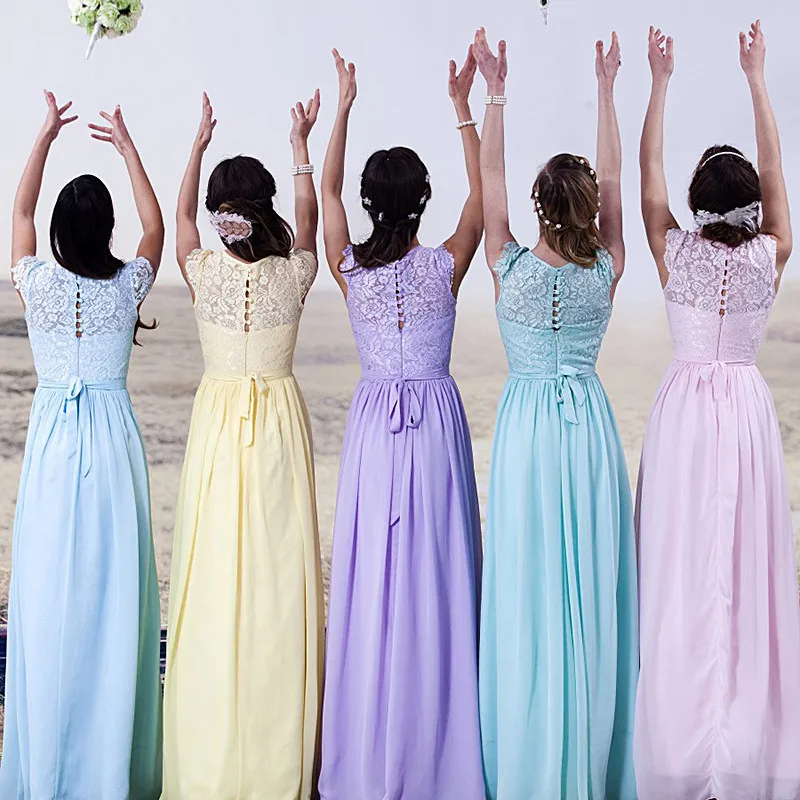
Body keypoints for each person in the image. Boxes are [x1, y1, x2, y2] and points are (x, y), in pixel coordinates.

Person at [635, 21, 800, 799]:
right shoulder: (772, 251)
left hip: (685, 421)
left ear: (698, 205)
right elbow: (776, 172)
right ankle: (739, 741)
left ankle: (681, 742)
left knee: (680, 572)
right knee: (743, 571)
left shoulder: (675, 252)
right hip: (745, 414)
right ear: (753, 206)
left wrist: (659, 82)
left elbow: (647, 179)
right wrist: (757, 78)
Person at [474, 28, 638, 799]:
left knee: (528, 584)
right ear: (591, 209)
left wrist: (493, 91)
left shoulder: (505, 266)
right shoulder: (607, 268)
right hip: (588, 433)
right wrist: (606, 88)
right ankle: (590, 747)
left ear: (537, 208)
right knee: (590, 589)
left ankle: (530, 750)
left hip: (526, 434)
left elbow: (490, 174)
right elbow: (616, 177)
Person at [318, 46, 485, 800]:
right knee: (437, 577)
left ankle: (368, 744)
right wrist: (464, 106)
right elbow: (483, 194)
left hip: (374, 428)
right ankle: (437, 747)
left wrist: (343, 105)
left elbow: (325, 190)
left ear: (370, 203)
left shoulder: (349, 269)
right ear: (421, 202)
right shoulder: (446, 264)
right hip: (436, 426)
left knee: (373, 582)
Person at [0, 92, 163, 799]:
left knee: (45, 596)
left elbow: (19, 214)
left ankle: (48, 763)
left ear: (61, 234)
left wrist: (44, 135)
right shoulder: (128, 287)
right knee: (111, 598)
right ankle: (104, 766)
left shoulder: (35, 283)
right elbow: (156, 226)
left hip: (52, 444)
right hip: (113, 445)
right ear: (106, 230)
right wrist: (127, 147)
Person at [162, 92, 324, 798]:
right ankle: (275, 751)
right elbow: (309, 219)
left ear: (220, 213)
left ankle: (211, 749)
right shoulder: (296, 272)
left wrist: (196, 143)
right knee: (278, 581)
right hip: (279, 423)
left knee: (215, 574)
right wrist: (300, 144)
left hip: (219, 426)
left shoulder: (203, 270)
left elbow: (178, 221)